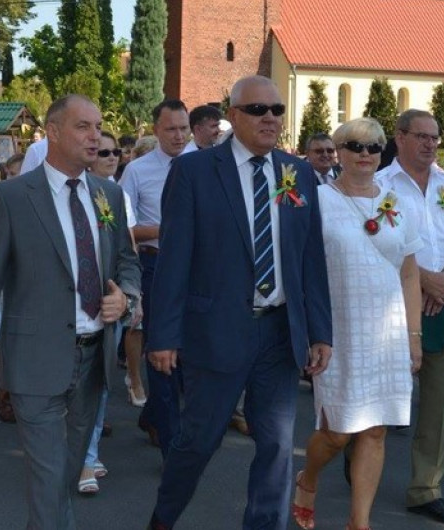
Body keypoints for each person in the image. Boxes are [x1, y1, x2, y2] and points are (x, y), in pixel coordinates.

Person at [145, 75, 333, 530]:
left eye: (277, 110)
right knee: (196, 443)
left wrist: (320, 331)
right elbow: (174, 259)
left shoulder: (298, 172)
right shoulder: (194, 172)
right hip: (216, 332)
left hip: (278, 333)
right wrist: (164, 336)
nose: (270, 118)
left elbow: (310, 258)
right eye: (257, 110)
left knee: (276, 447)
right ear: (233, 116)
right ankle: (163, 519)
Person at [0, 95, 141, 530]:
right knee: (46, 476)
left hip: (93, 357)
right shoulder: (12, 196)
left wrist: (127, 297)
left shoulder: (109, 195)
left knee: (62, 476)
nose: (95, 136)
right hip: (35, 358)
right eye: (83, 127)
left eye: (98, 127)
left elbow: (127, 263)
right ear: (53, 133)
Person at [292, 118, 422, 530]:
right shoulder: (315, 200)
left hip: (387, 332)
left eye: (373, 148)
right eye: (354, 146)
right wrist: (312, 333)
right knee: (337, 433)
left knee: (376, 431)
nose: (365, 155)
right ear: (338, 152)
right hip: (337, 331)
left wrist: (414, 337)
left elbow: (409, 273)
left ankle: (359, 522)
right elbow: (301, 269)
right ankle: (307, 478)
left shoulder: (399, 202)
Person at [374, 110, 444, 527]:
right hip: (392, 302)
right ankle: (358, 454)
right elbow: (377, 249)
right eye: (421, 136)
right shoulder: (380, 186)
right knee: (384, 394)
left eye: (435, 138)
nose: (430, 145)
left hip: (442, 305)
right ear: (399, 137)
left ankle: (426, 488)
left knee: (437, 402)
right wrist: (425, 281)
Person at [121, 100, 191, 457]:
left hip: (197, 270)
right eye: (171, 129)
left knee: (189, 353)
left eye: (183, 128)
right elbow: (124, 229)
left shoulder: (204, 164)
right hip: (156, 266)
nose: (179, 136)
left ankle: (154, 416)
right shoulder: (137, 171)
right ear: (155, 130)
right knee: (161, 349)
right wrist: (166, 231)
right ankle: (170, 439)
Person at [78, 130, 142, 495]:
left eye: (114, 151)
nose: (109, 156)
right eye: (103, 151)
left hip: (105, 310)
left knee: (99, 384)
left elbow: (126, 253)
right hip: (62, 315)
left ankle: (87, 455)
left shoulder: (113, 195)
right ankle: (70, 451)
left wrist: (129, 297)